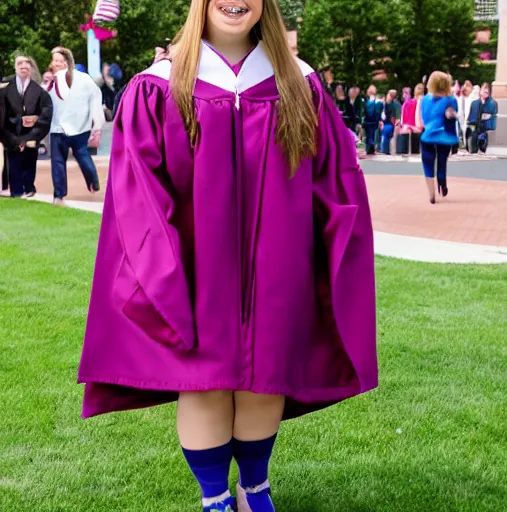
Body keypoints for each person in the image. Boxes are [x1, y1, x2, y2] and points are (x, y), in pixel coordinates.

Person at [78, 0, 377, 510]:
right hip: (194, 272)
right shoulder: (160, 85)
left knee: (266, 379)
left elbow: (333, 181)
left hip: (280, 269)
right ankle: (214, 496)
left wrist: (332, 256)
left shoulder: (299, 84)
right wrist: (165, 276)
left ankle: (254, 487)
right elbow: (139, 194)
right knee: (205, 383)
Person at [46, 47, 104, 206]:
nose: (55, 63)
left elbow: (95, 101)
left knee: (82, 155)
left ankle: (92, 180)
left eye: (59, 60)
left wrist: (96, 124)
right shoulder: (51, 81)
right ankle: (59, 195)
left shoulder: (81, 79)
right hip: (58, 128)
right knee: (59, 162)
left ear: (66, 62)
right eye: (54, 60)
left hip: (78, 127)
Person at [0, 55, 52, 197]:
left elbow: (46, 115)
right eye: (20, 63)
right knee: (14, 164)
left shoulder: (40, 92)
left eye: (27, 63)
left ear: (31, 67)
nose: (24, 65)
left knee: (29, 164)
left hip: (31, 135)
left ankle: (29, 188)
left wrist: (32, 134)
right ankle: (16, 192)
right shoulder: (4, 91)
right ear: (15, 67)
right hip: (11, 135)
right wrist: (11, 138)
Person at [420, 71, 458, 204]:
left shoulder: (424, 99)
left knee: (427, 164)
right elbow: (452, 120)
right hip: (444, 136)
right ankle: (442, 183)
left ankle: (431, 194)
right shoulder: (451, 100)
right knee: (442, 160)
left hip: (427, 136)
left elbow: (423, 118)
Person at [466, 82, 498, 154]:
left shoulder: (492, 103)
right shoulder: (474, 103)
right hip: (474, 128)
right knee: (472, 136)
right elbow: (470, 118)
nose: (486, 91)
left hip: (485, 130)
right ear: (480, 90)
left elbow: (489, 117)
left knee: (482, 138)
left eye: (487, 89)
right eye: (484, 88)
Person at [397, 83, 424, 155]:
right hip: (416, 130)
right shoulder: (422, 102)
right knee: (415, 152)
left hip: (406, 129)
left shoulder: (406, 103)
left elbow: (402, 120)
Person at [362, 84, 382, 155]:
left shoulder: (366, 101)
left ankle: (369, 149)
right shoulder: (378, 101)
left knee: (368, 137)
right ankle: (371, 149)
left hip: (367, 122)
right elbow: (379, 112)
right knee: (372, 137)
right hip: (374, 122)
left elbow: (365, 112)